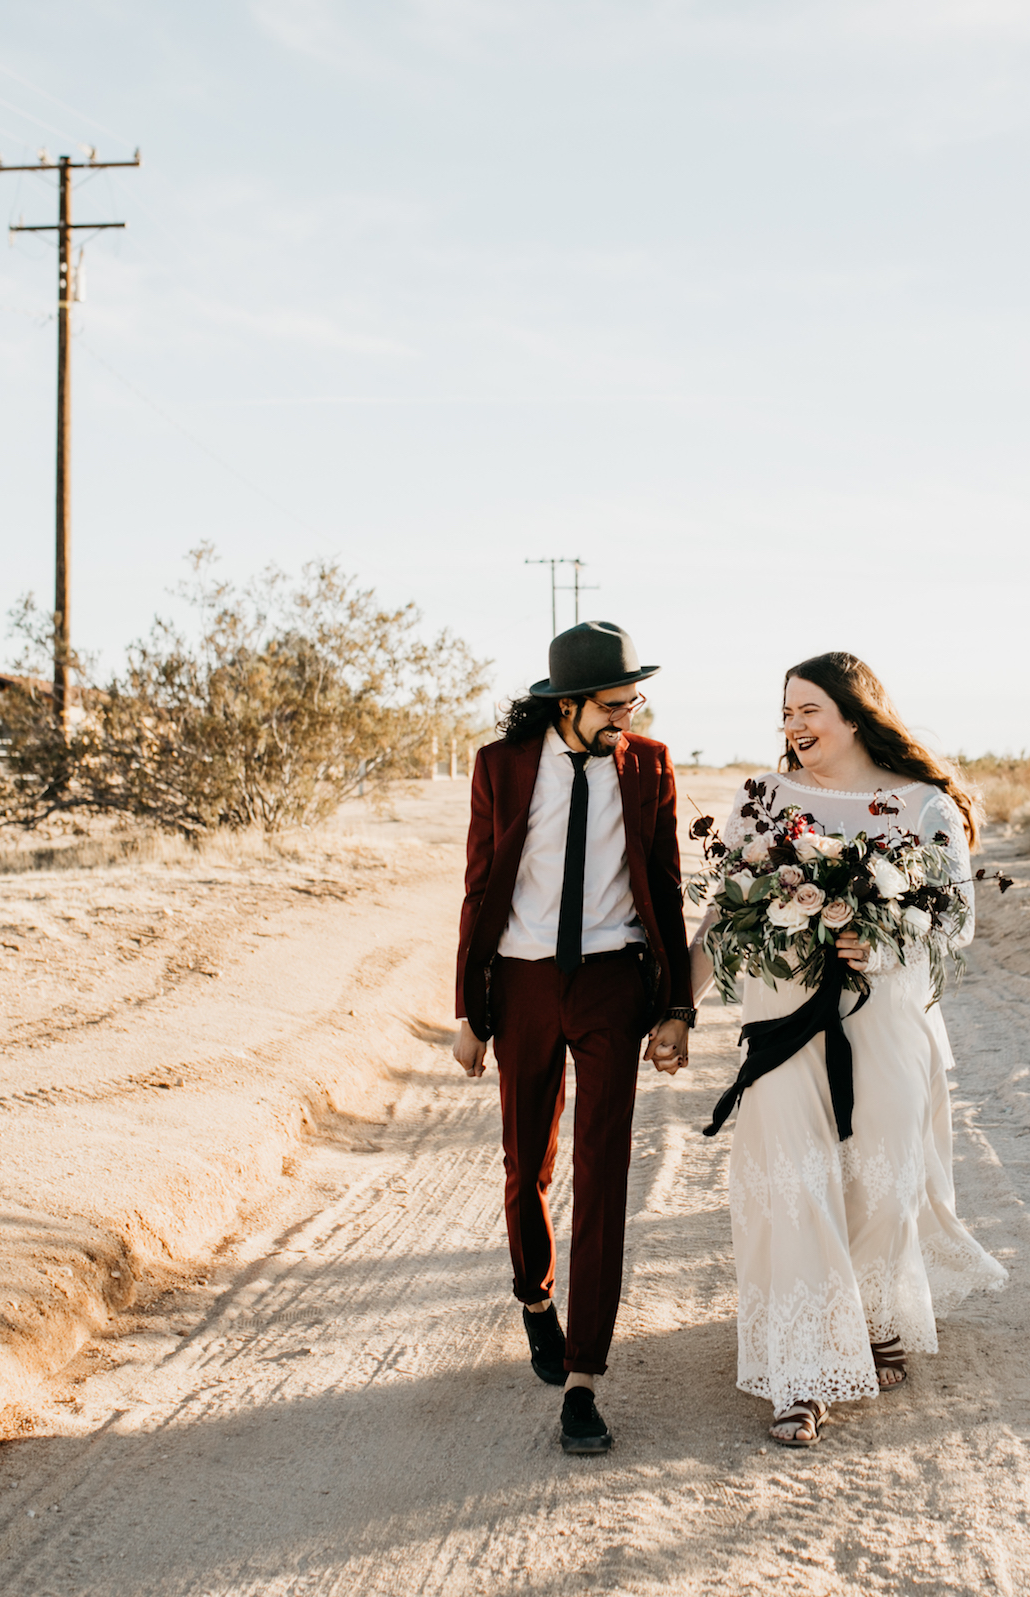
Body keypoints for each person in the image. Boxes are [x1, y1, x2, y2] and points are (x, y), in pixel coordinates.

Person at [688, 651, 1007, 1447]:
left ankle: (868, 1313)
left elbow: (957, 921)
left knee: (878, 1186)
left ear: (854, 715)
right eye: (786, 713)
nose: (794, 728)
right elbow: (723, 914)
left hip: (886, 1021)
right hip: (784, 1021)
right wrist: (675, 1008)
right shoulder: (761, 801)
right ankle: (800, 1372)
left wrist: (888, 941)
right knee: (792, 1184)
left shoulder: (923, 805)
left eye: (809, 712)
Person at [452, 620, 693, 1456]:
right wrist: (468, 1013)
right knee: (529, 1161)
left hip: (612, 981)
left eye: (636, 699)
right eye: (618, 700)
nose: (631, 712)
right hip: (520, 983)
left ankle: (585, 1375)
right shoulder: (502, 765)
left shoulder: (649, 764)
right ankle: (534, 1298)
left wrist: (678, 1008)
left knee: (604, 1168)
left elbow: (664, 885)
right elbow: (481, 886)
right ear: (573, 702)